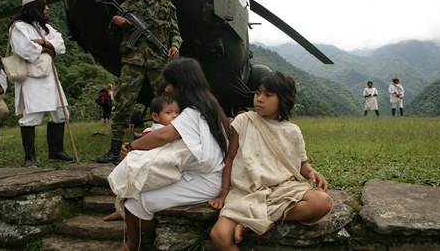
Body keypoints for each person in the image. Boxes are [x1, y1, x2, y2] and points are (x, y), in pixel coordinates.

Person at [208, 71, 333, 250]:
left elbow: (301, 164)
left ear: (282, 99)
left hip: (282, 189)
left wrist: (312, 172)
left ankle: (250, 222)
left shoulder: (292, 131)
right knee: (219, 235)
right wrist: (224, 192)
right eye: (257, 93)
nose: (259, 99)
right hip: (246, 192)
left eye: (268, 95)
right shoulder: (244, 121)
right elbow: (231, 157)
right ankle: (253, 219)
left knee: (322, 202)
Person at [114, 57, 228, 250]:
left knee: (139, 201)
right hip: (205, 175)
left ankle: (136, 245)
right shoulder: (210, 103)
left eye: (169, 83)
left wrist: (133, 145)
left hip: (204, 181)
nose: (165, 88)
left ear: (179, 85)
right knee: (137, 191)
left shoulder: (193, 112)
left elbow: (163, 135)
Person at [97, 0, 183, 164]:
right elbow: (112, 36)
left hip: (158, 62)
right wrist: (114, 21)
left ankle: (169, 143)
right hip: (133, 61)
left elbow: (175, 32)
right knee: (124, 104)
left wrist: (175, 46)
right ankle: (115, 149)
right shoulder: (128, 5)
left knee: (168, 105)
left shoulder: (166, 5)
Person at [8, 0, 73, 167]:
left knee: (61, 113)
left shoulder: (45, 28)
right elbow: (26, 50)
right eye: (44, 6)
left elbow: (60, 46)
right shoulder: (18, 27)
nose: (47, 9)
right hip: (31, 79)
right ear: (35, 7)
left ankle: (56, 151)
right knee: (32, 116)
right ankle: (30, 157)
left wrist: (43, 42)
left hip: (50, 77)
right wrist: (47, 47)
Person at [103, 93, 181, 222]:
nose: (175, 116)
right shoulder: (152, 132)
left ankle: (123, 209)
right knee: (129, 182)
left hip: (158, 167)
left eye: (178, 112)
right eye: (169, 112)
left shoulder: (178, 130)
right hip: (145, 165)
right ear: (155, 116)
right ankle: (119, 209)